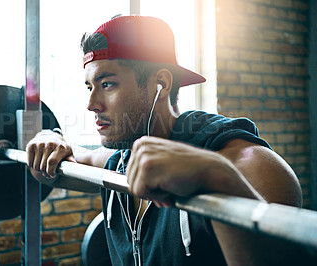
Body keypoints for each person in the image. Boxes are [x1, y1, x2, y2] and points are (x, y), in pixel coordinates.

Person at [26, 15, 308, 265]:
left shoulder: (247, 163)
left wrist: (220, 179)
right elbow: (61, 167)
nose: (91, 104)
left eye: (107, 84)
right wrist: (50, 140)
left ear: (161, 82)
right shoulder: (120, 159)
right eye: (89, 86)